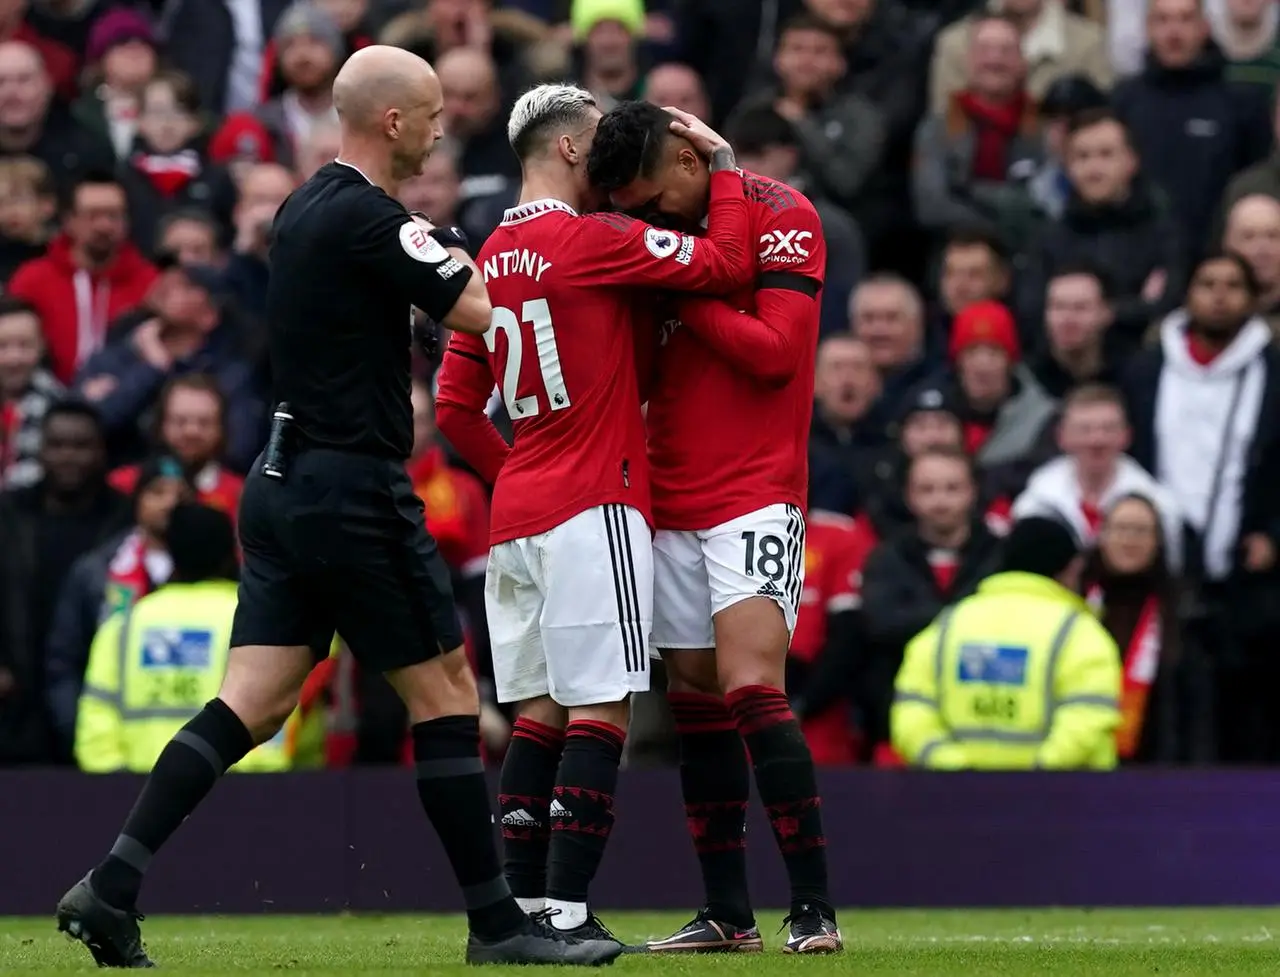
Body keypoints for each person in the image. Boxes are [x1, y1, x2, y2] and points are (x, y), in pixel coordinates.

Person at [53, 46, 621, 969]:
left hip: (279, 485)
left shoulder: (303, 204)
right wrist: (471, 249)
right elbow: (477, 310)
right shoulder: (371, 214)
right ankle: (498, 926)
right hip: (350, 484)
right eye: (431, 114)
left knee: (254, 701)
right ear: (392, 121)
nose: (441, 132)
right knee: (444, 693)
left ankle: (110, 885)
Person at [435, 84, 753, 943]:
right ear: (571, 150)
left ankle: (520, 911)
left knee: (537, 714)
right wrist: (721, 167)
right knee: (602, 709)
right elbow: (725, 265)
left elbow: (456, 404)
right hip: (593, 503)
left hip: (519, 516)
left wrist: (522, 473)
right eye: (600, 144)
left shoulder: (484, 257)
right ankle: (570, 911)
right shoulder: (596, 240)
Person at [587, 99, 839, 953]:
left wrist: (678, 290)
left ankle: (812, 906)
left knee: (750, 684)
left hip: (758, 490)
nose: (646, 224)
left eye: (654, 204)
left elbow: (775, 353)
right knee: (695, 697)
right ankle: (728, 912)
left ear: (694, 167)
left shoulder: (784, 216)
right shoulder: (652, 235)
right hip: (667, 492)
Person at [74, 503, 304, 773]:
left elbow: (95, 727)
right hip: (238, 796)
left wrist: (124, 786)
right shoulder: (259, 623)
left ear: (171, 555)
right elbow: (274, 720)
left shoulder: (124, 625)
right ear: (230, 556)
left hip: (142, 800)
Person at [891, 516, 1123, 770]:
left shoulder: (948, 625)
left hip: (954, 800)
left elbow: (912, 709)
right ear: (1071, 569)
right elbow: (1087, 718)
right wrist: (1036, 775)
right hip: (1061, 802)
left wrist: (950, 766)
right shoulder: (1080, 635)